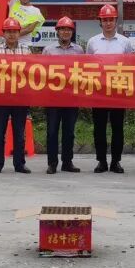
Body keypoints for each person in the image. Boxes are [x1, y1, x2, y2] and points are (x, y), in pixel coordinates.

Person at [85, 4, 134, 174]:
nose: (108, 23)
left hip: (118, 90)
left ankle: (116, 161)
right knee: (99, 128)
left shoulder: (125, 42)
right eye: (104, 20)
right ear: (100, 21)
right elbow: (87, 66)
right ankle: (101, 161)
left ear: (115, 21)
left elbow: (130, 65)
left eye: (110, 20)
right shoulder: (92, 42)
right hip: (99, 91)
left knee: (117, 128)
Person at [42, 16, 84, 174]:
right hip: (53, 97)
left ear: (72, 32)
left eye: (68, 29)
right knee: (52, 131)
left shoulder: (79, 50)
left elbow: (84, 72)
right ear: (57, 31)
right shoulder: (48, 50)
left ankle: (67, 162)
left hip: (72, 97)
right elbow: (42, 73)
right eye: (62, 29)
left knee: (69, 132)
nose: (65, 32)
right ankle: (52, 163)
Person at [0, 17, 32, 175]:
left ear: (19, 33)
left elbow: (31, 73)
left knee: (20, 134)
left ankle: (19, 164)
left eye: (14, 31)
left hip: (20, 98)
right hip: (1, 97)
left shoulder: (26, 51)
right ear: (3, 33)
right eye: (8, 31)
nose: (12, 34)